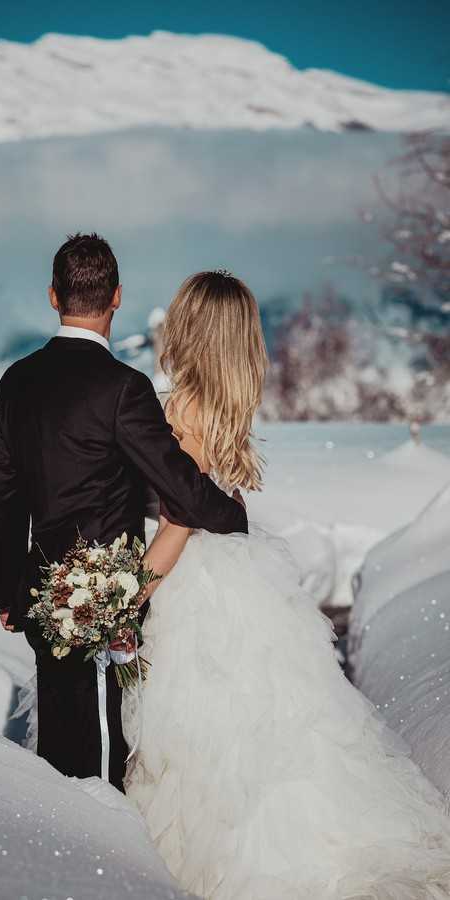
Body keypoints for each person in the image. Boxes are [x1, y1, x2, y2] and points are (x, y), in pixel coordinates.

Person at [124, 270, 450, 899]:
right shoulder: (220, 399)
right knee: (259, 732)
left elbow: (180, 518)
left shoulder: (186, 405)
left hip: (192, 580)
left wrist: (133, 594)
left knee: (202, 737)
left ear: (188, 329)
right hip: (230, 574)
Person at [0, 235, 247, 793]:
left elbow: (3, 496)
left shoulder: (16, 382)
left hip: (40, 597)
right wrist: (237, 519)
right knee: (101, 772)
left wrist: (7, 589)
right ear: (118, 297)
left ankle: (59, 857)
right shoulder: (124, 389)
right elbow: (185, 493)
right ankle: (96, 863)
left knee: (58, 748)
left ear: (54, 296)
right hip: (103, 601)